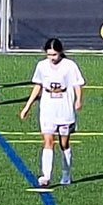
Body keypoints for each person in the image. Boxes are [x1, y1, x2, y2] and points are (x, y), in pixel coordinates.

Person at [19, 38, 85, 188]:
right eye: (49, 54)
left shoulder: (69, 66)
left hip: (64, 107)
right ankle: (46, 176)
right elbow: (38, 86)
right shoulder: (42, 66)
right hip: (48, 107)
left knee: (64, 143)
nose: (52, 58)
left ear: (60, 52)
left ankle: (66, 173)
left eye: (54, 54)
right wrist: (27, 106)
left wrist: (78, 100)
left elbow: (77, 84)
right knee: (48, 141)